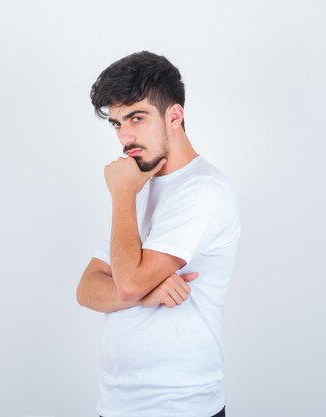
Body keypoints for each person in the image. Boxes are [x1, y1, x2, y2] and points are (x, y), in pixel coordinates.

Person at [76, 51, 241, 417]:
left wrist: (121, 194)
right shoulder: (141, 183)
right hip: (117, 404)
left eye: (136, 117)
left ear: (174, 116)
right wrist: (143, 294)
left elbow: (128, 282)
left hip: (180, 407)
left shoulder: (203, 190)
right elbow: (87, 289)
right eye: (117, 123)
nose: (125, 136)